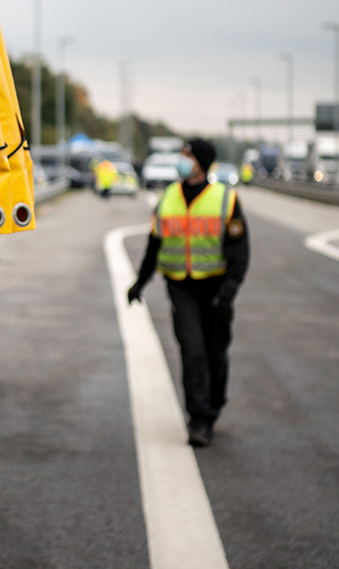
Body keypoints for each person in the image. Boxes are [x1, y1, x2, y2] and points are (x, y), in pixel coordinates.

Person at [126, 139, 250, 447]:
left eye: (187, 155)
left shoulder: (226, 199)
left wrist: (228, 294)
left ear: (201, 162)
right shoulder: (167, 197)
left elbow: (240, 253)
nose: (181, 160)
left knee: (215, 353)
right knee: (192, 350)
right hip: (180, 285)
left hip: (216, 288)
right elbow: (154, 245)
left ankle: (215, 403)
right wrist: (139, 283)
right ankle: (199, 419)